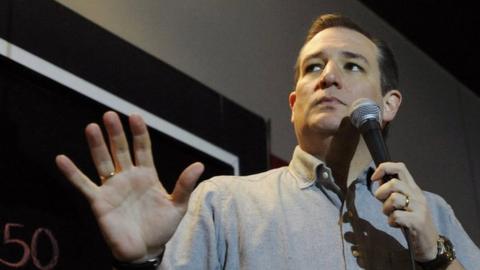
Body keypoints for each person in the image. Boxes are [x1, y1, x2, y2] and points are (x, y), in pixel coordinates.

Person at [55, 14, 479, 269]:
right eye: (313, 67)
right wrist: (142, 261)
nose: (328, 76)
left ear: (388, 105)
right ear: (294, 104)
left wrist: (434, 253)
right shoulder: (224, 202)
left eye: (352, 66)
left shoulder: (434, 214)